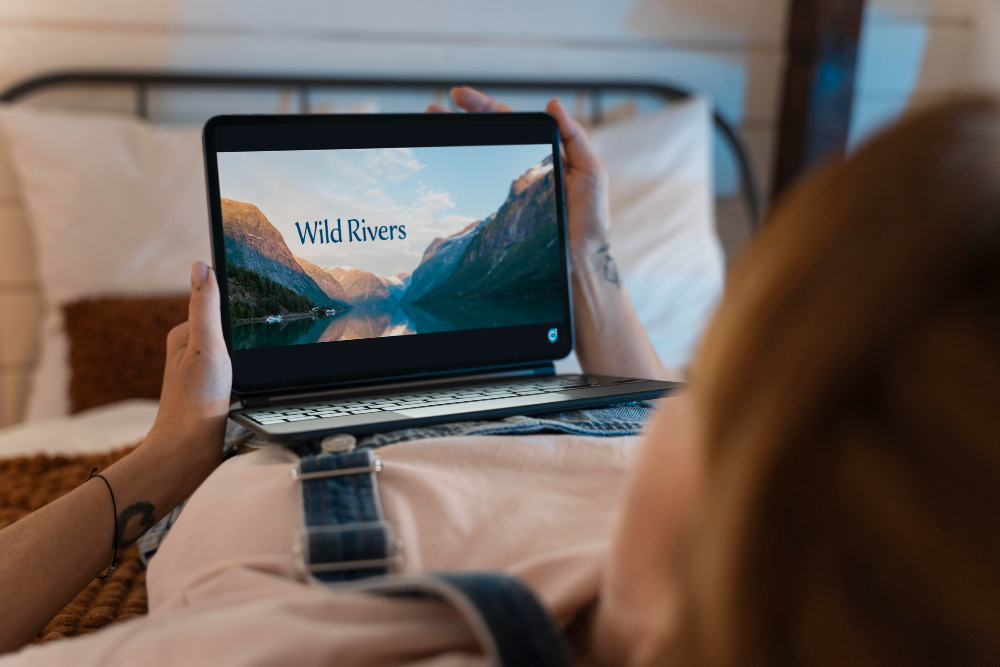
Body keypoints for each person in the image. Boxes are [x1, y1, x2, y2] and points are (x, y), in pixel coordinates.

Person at [0, 88, 997, 666]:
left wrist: (168, 455)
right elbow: (654, 417)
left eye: (730, 376)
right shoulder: (754, 561)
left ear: (769, 458)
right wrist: (588, 253)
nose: (695, 398)